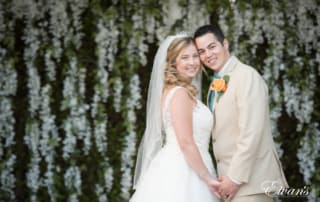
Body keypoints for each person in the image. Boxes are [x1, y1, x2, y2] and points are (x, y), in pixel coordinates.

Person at [193, 24, 289, 202]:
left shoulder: (247, 76)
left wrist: (234, 179)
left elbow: (251, 133)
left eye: (212, 47)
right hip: (229, 183)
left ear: (225, 44)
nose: (208, 55)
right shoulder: (215, 84)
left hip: (251, 182)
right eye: (201, 51)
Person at [130, 33, 220, 202]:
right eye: (185, 57)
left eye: (195, 56)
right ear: (173, 63)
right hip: (184, 170)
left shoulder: (175, 90)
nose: (192, 62)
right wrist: (207, 179)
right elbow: (186, 143)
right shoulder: (179, 94)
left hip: (187, 164)